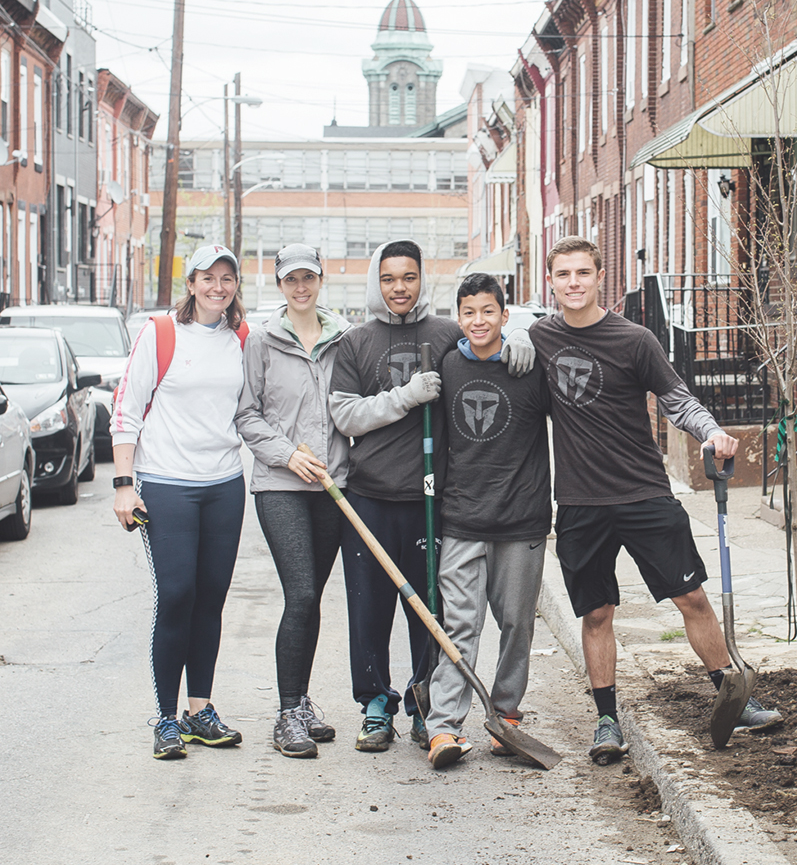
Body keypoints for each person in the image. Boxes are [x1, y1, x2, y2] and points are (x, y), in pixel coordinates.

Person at [528, 236, 782, 764]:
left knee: (692, 599)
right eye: (563, 275)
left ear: (601, 276)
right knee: (597, 615)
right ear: (550, 281)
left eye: (582, 273)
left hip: (644, 492)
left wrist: (711, 432)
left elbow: (676, 399)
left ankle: (736, 696)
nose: (573, 283)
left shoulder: (634, 338)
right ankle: (606, 721)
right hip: (579, 503)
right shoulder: (538, 340)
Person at [328, 239, 534, 752]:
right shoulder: (355, 342)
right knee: (369, 607)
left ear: (423, 280)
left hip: (431, 498)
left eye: (409, 278)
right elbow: (346, 416)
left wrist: (521, 338)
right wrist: (404, 398)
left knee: (431, 610)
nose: (399, 288)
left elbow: (483, 344)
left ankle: (427, 703)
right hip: (370, 495)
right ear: (377, 282)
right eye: (389, 279)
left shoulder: (444, 334)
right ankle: (376, 705)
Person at [111, 244, 249, 761]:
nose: (218, 287)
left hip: (224, 483)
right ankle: (166, 719)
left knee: (210, 598)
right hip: (166, 482)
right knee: (176, 594)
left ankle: (200, 711)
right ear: (190, 284)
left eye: (227, 278)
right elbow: (126, 410)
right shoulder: (160, 332)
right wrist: (124, 483)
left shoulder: (240, 337)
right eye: (207, 278)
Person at [425, 273, 551, 769]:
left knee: (517, 624)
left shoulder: (529, 368)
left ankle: (506, 717)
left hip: (522, 519)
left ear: (504, 314)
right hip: (461, 519)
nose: (479, 320)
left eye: (489, 311)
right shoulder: (448, 366)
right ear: (460, 317)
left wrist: (525, 341)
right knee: (458, 625)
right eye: (469, 312)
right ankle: (443, 727)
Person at [235, 244, 352, 759]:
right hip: (281, 486)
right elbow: (248, 416)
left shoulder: (343, 339)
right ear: (279, 285)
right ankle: (287, 713)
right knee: (301, 594)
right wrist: (287, 455)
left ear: (320, 280)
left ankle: (301, 703)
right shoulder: (262, 341)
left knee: (312, 598)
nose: (300, 286)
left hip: (334, 486)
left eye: (308, 277)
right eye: (290, 279)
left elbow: (353, 408)